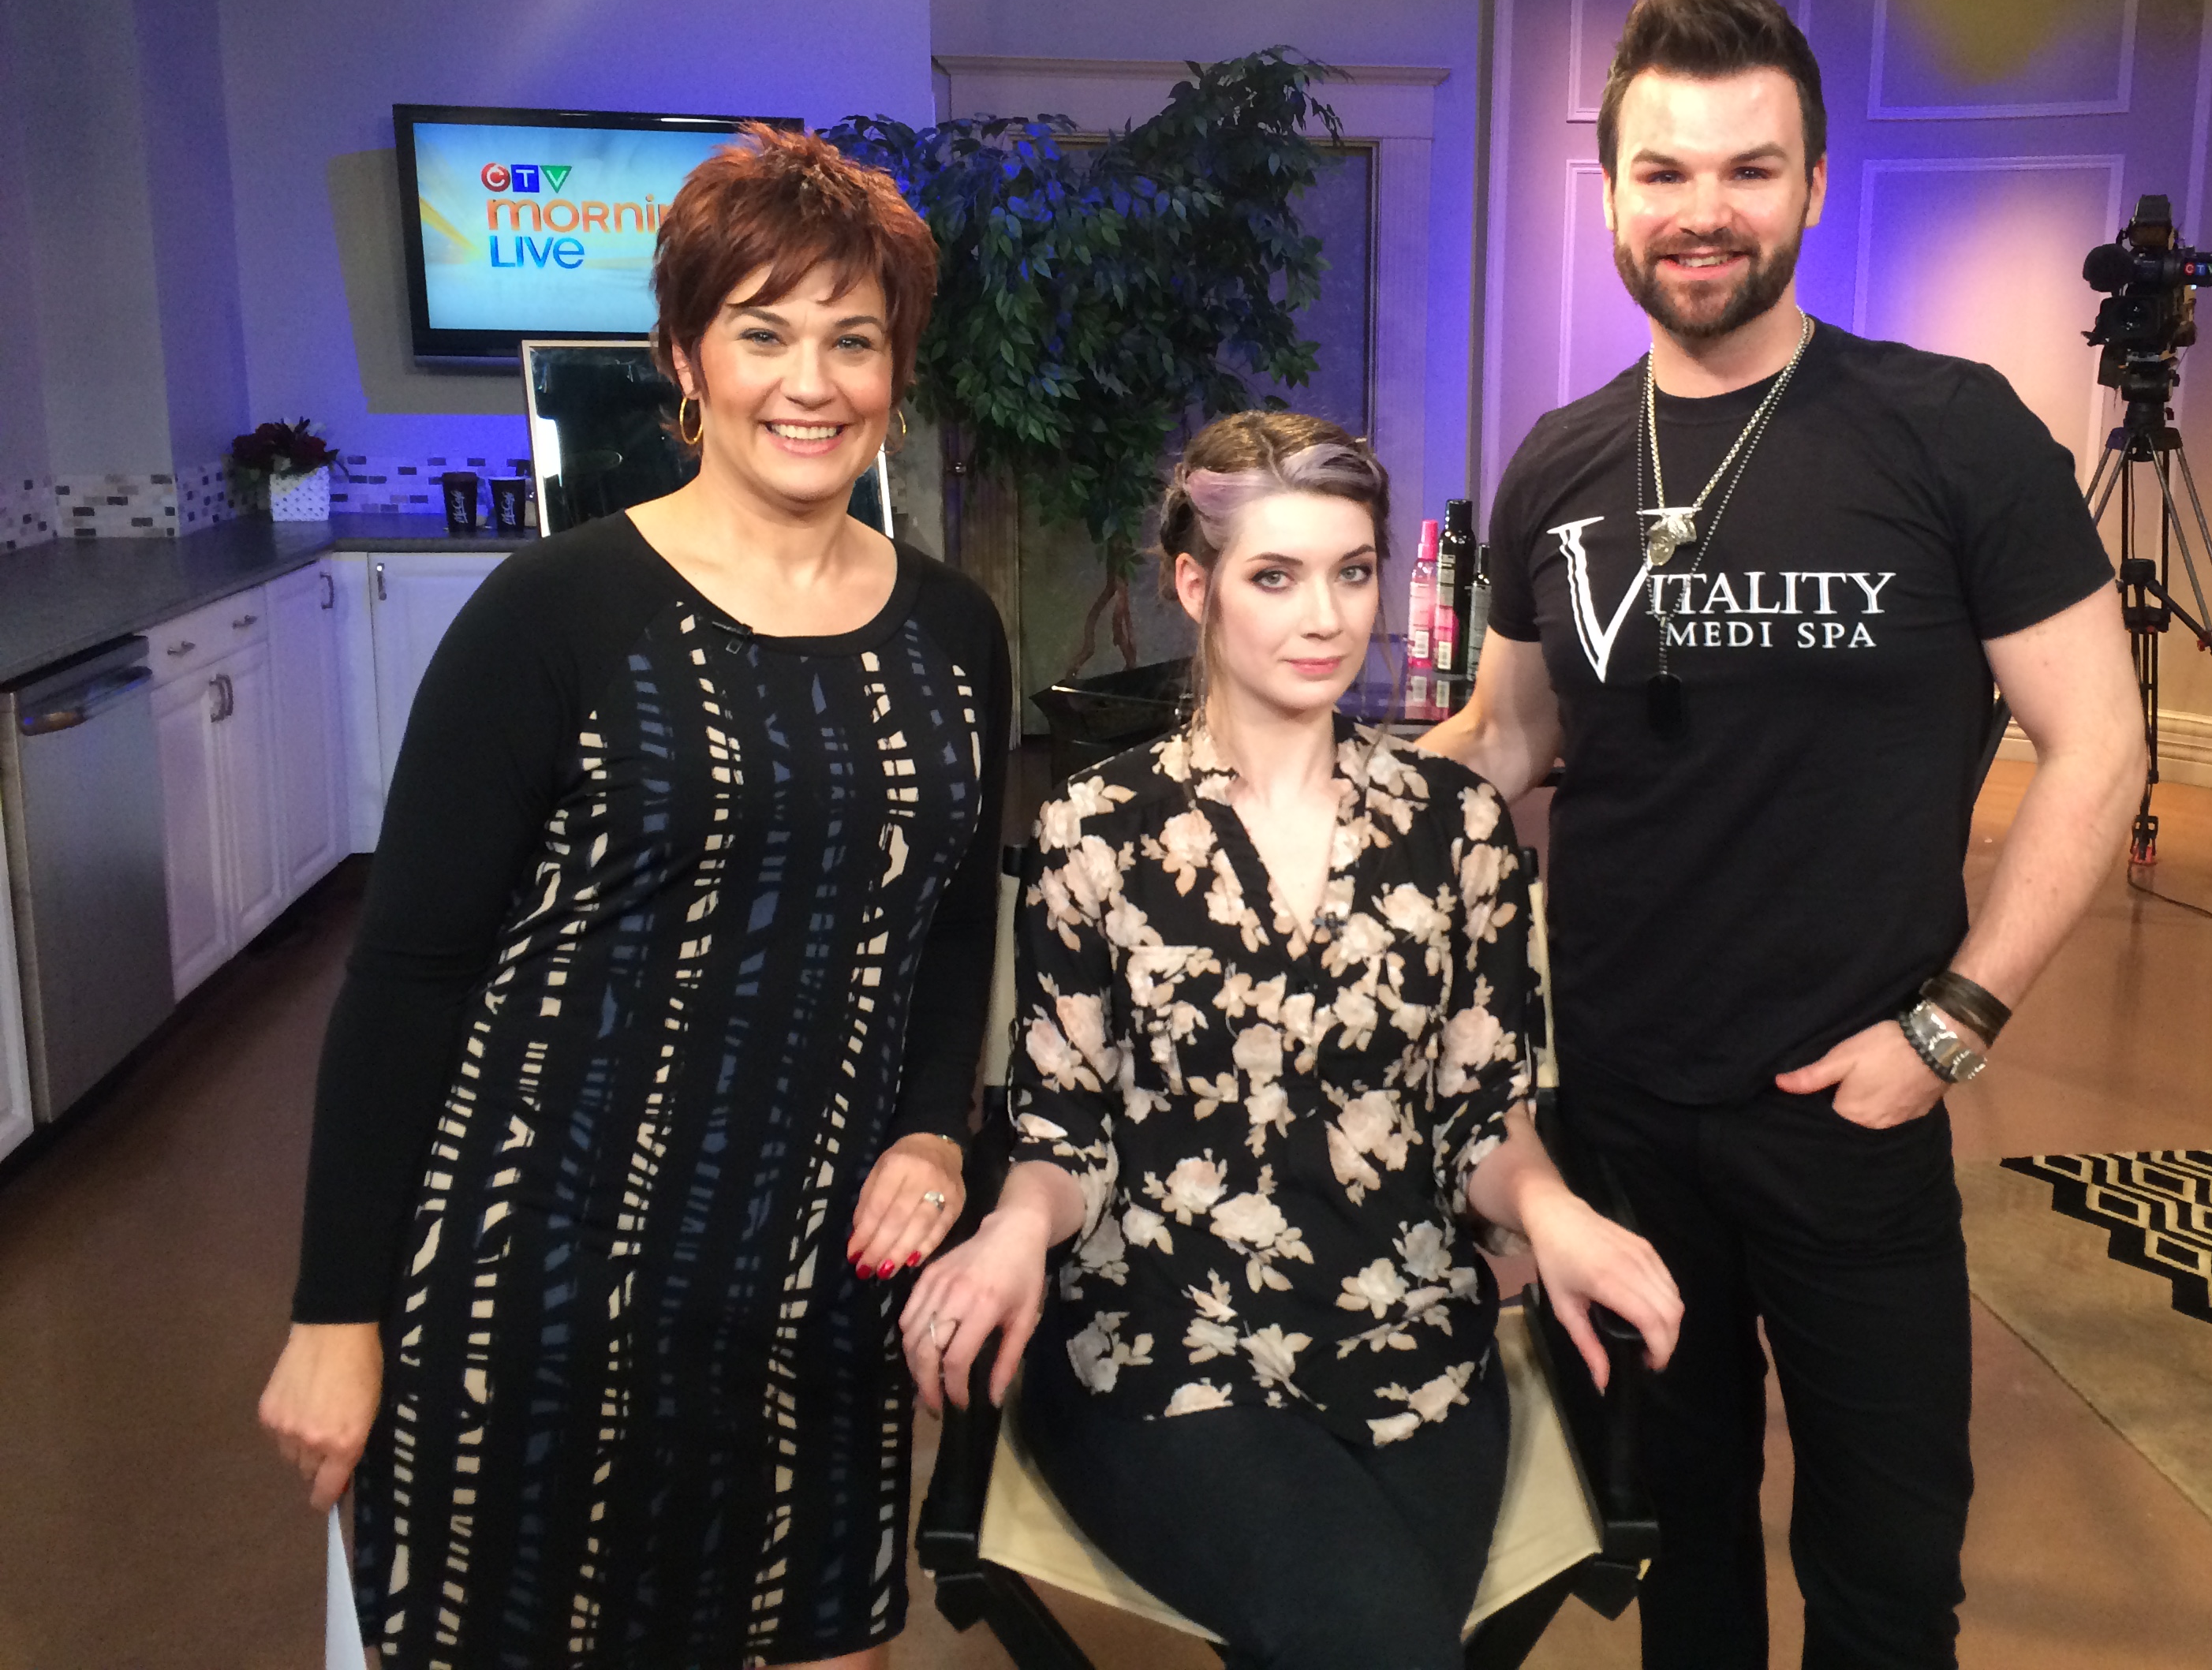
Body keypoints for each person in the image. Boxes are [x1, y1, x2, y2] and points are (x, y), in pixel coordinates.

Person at [1423, 0, 2147, 1668]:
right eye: (1664, 171)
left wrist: (1953, 1025)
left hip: (1853, 1104)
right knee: (1679, 1545)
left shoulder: (1948, 430)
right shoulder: (1560, 462)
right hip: (1621, 1107)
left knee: (1889, 1566)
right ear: (1612, 195)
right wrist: (1268, 783)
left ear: (1814, 186)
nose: (1705, 211)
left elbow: (2100, 746)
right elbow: (1508, 738)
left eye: (1750, 169)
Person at [256, 123, 1012, 1670]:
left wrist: (936, 1129)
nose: (811, 382)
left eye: (854, 340)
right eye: (763, 332)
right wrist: (335, 1314)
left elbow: (950, 924)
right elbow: (407, 977)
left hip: (813, 1295)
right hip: (537, 1290)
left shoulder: (953, 631)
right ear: (684, 359)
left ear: (896, 370)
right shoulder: (558, 611)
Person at [902, 412, 1683, 1668]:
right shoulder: (1096, 829)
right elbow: (1063, 1135)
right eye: (1276, 576)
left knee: (1373, 1636)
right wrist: (1007, 1232)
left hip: (1409, 1338)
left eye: (1352, 571)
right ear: (1195, 586)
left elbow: (1483, 1122)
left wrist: (1556, 1215)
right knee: (1380, 1639)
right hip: (1160, 1345)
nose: (1326, 617)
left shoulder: (1457, 825)